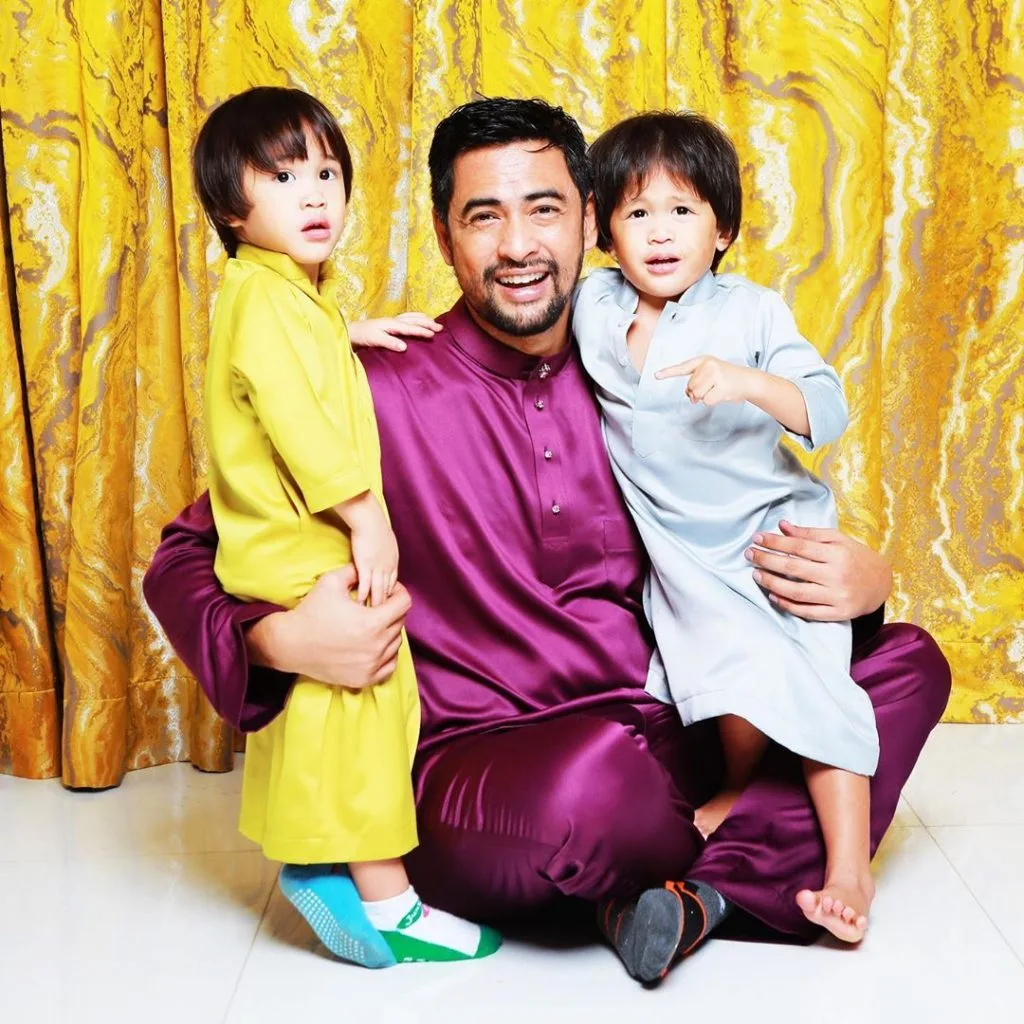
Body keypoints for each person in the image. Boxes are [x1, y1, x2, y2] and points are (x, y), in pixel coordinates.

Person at [145, 97, 950, 985]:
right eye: (484, 217)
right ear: (444, 238)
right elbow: (185, 555)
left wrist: (863, 585)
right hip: (491, 769)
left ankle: (675, 899)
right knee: (590, 793)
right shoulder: (373, 383)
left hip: (680, 716)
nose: (519, 245)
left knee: (906, 666)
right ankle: (734, 867)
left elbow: (749, 526)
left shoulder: (651, 374)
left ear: (588, 223)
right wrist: (279, 641)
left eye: (545, 209)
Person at [190, 85, 499, 967]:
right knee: (369, 691)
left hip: (282, 542)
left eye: (327, 173)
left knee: (326, 700)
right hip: (299, 540)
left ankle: (318, 858)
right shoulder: (267, 301)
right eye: (284, 178)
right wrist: (367, 518)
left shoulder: (283, 294)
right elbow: (295, 417)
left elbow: (286, 357)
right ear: (231, 210)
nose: (315, 195)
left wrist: (348, 334)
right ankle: (389, 899)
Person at [572, 112, 878, 944]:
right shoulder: (592, 303)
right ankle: (740, 790)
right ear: (604, 231)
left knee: (813, 680)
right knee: (726, 664)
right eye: (637, 213)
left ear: (723, 230)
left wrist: (747, 381)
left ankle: (848, 871)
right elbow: (504, 314)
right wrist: (351, 335)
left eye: (683, 211)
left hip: (771, 535)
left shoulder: (751, 310)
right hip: (678, 546)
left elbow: (826, 408)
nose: (659, 232)